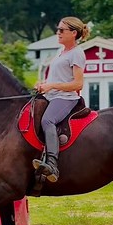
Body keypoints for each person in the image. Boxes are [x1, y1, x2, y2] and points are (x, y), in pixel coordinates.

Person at [32, 16, 90, 182]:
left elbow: (78, 84)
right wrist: (43, 84)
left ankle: (52, 163)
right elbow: (58, 78)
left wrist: (52, 86)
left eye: (61, 30)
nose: (58, 33)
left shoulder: (77, 53)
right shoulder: (61, 51)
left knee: (48, 121)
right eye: (58, 29)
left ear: (73, 33)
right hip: (52, 95)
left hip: (65, 98)